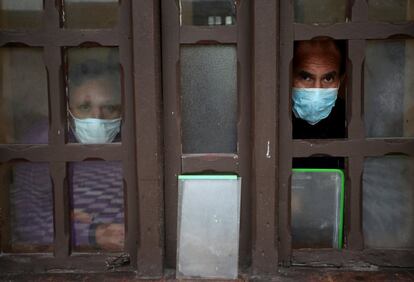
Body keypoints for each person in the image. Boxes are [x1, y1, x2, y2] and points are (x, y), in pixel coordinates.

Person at [10, 59, 124, 252]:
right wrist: (93, 233)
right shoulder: (40, 143)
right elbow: (28, 226)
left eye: (110, 108)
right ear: (67, 107)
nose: (97, 118)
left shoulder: (137, 140)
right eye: (85, 107)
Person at [291, 38, 346, 169]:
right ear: (289, 75)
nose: (317, 90)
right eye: (306, 77)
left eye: (328, 78)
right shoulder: (273, 116)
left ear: (340, 80)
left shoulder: (350, 120)